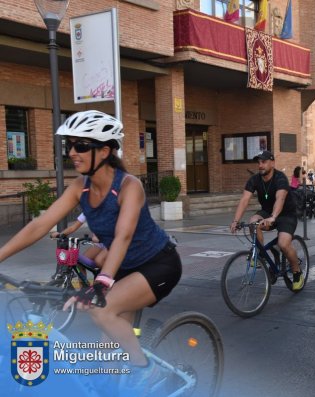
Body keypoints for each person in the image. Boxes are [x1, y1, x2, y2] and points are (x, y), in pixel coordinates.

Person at [0, 110, 182, 392]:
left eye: (81, 146)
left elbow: (123, 236)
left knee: (102, 311)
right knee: (105, 360)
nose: (72, 152)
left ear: (105, 150)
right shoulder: (79, 187)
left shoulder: (129, 186)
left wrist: (102, 281)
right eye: (69, 146)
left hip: (158, 264)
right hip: (122, 269)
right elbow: (40, 224)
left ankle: (148, 370)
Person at [230, 150, 305, 290]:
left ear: (272, 163)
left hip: (286, 214)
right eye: (258, 162)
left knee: (283, 244)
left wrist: (273, 217)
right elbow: (244, 199)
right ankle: (262, 256)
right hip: (267, 213)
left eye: (263, 162)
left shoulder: (280, 178)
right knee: (253, 221)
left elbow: (280, 199)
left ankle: (296, 272)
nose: (260, 165)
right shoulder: (255, 180)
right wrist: (236, 220)